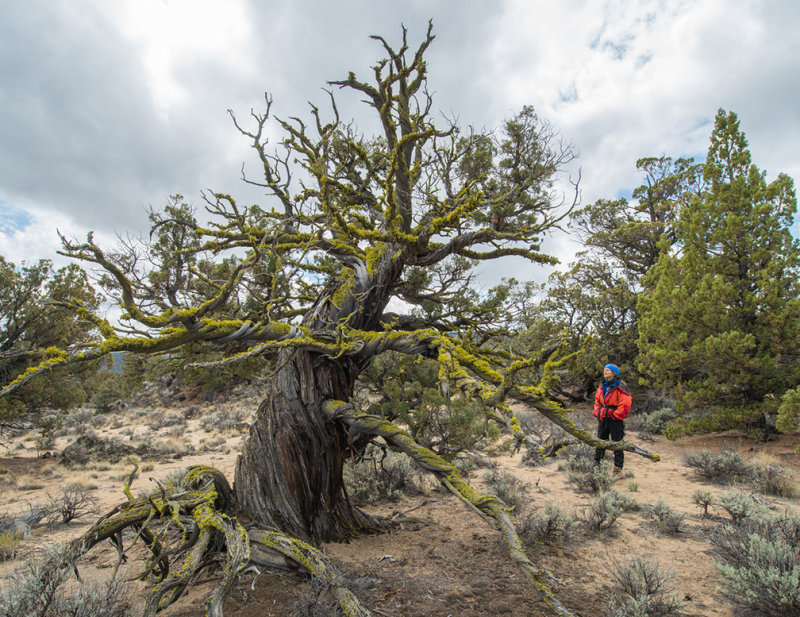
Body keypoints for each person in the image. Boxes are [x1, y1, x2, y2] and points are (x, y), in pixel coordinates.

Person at [593, 363, 632, 474]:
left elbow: (625, 403)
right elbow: (597, 400)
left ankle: (618, 468)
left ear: (614, 373)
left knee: (617, 442)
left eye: (608, 370)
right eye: (605, 370)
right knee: (600, 441)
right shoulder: (602, 386)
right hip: (603, 417)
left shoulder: (620, 386)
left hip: (615, 419)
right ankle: (597, 464)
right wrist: (597, 412)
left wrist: (615, 415)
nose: (605, 372)